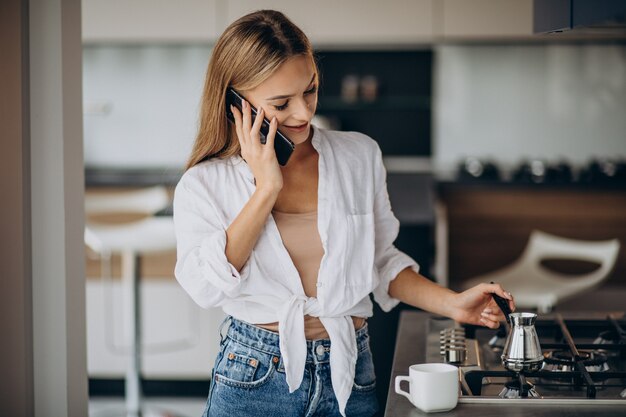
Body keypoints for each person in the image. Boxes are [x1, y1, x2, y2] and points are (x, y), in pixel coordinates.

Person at [173, 9, 515, 417]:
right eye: (281, 103)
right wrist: (266, 188)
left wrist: (454, 304)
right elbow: (205, 288)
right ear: (236, 104)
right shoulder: (205, 183)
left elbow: (382, 262)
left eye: (311, 90)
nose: (303, 113)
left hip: (351, 370)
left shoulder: (358, 154)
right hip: (254, 375)